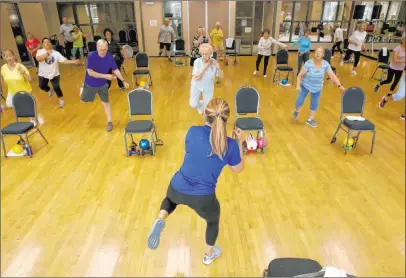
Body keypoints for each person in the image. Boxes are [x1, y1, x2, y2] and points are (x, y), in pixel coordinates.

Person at [147, 98, 244, 265]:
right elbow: (238, 169)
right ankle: (208, 255)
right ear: (226, 120)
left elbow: (192, 151)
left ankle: (161, 217)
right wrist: (239, 142)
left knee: (169, 200)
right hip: (203, 198)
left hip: (177, 186)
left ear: (206, 116)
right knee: (213, 220)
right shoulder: (231, 144)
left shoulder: (192, 131)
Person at [80, 39, 129, 132]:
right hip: (90, 83)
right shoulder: (91, 56)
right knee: (84, 101)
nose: (103, 52)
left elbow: (116, 70)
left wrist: (123, 81)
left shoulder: (109, 56)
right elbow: (90, 72)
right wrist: (105, 76)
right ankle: (82, 88)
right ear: (97, 48)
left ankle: (110, 122)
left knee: (106, 103)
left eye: (105, 49)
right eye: (101, 49)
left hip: (102, 84)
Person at [293, 47, 345, 128]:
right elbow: (300, 75)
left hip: (317, 87)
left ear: (323, 55)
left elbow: (332, 76)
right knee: (298, 102)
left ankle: (310, 119)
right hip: (305, 85)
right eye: (316, 52)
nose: (317, 53)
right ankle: (297, 110)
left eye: (320, 52)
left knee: (314, 104)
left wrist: (340, 86)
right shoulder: (308, 63)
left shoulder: (325, 64)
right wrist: (298, 85)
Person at [1, 49, 43, 125]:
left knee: (26, 106)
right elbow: (2, 78)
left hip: (24, 91)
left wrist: (22, 71)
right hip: (12, 91)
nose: (9, 58)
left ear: (13, 56)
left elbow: (29, 79)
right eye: (6, 56)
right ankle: (26, 110)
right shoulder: (3, 68)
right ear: (4, 58)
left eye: (10, 56)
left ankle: (33, 118)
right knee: (9, 104)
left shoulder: (20, 66)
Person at [36, 38, 81, 108]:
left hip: (54, 73)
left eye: (48, 42)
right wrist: (47, 53)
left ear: (50, 43)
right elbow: (39, 59)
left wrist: (73, 61)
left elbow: (63, 61)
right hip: (43, 74)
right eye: (45, 42)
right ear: (43, 44)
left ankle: (61, 100)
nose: (47, 43)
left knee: (56, 87)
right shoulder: (40, 51)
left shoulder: (56, 53)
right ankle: (50, 90)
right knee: (41, 86)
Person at [190, 44, 222, 114]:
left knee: (207, 108)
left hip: (208, 86)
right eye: (202, 54)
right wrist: (206, 66)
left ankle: (206, 120)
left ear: (210, 53)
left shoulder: (214, 63)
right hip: (196, 85)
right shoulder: (197, 62)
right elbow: (197, 77)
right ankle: (201, 103)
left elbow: (220, 76)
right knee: (193, 104)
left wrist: (219, 68)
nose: (204, 56)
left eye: (206, 54)